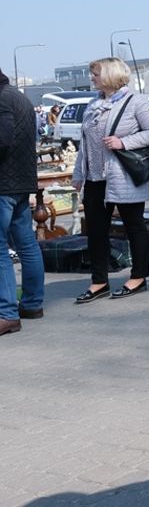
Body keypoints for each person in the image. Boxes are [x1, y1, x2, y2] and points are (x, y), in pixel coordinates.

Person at [72, 58, 149, 303]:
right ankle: (99, 281)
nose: (92, 78)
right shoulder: (93, 104)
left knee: (134, 226)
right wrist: (78, 174)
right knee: (96, 231)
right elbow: (84, 143)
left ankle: (139, 276)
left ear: (111, 75)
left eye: (96, 74)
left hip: (123, 176)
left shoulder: (136, 102)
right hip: (94, 178)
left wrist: (123, 142)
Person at [0, 67, 42, 335]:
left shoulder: (2, 99)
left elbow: (2, 141)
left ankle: (6, 313)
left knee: (1, 249)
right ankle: (32, 304)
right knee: (26, 244)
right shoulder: (18, 96)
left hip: (4, 184)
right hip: (20, 182)